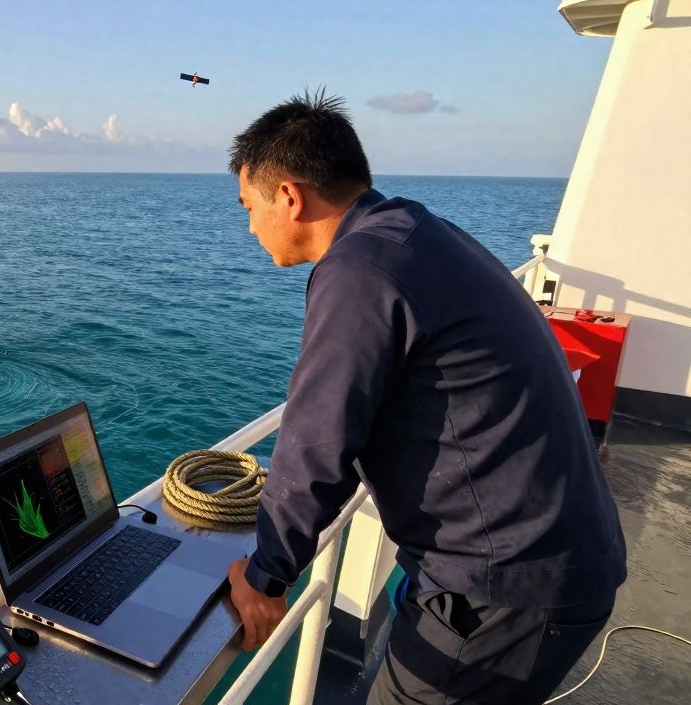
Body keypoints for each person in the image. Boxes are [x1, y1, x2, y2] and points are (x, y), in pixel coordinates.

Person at [223, 91, 626, 704]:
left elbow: (319, 439)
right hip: (545, 551)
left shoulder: (359, 271)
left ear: (290, 196)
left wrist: (266, 574)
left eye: (249, 206)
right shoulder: (415, 232)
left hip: (504, 584)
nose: (249, 227)